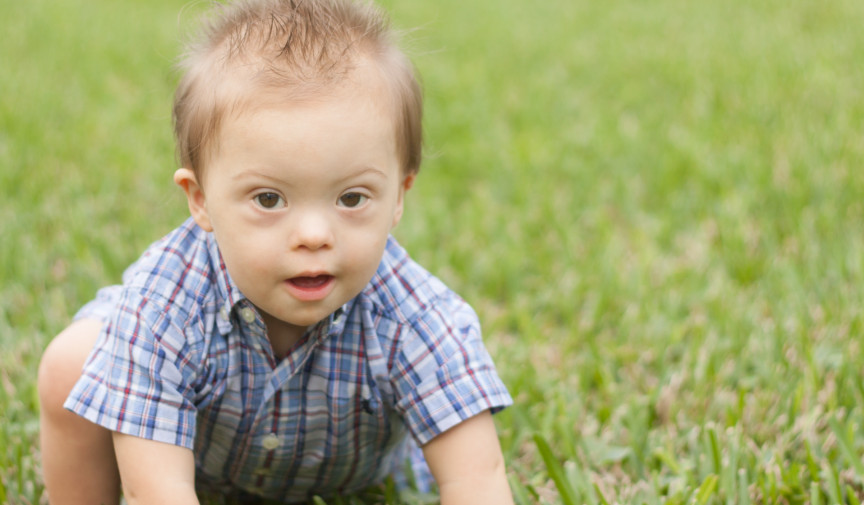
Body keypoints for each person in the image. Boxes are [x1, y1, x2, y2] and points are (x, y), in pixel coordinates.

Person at [36, 0, 514, 503]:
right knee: (71, 362)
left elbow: (477, 479)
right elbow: (156, 492)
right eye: (269, 199)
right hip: (196, 461)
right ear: (201, 200)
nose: (312, 234)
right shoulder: (162, 309)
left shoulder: (416, 318)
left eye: (351, 198)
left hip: (351, 475)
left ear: (399, 195)